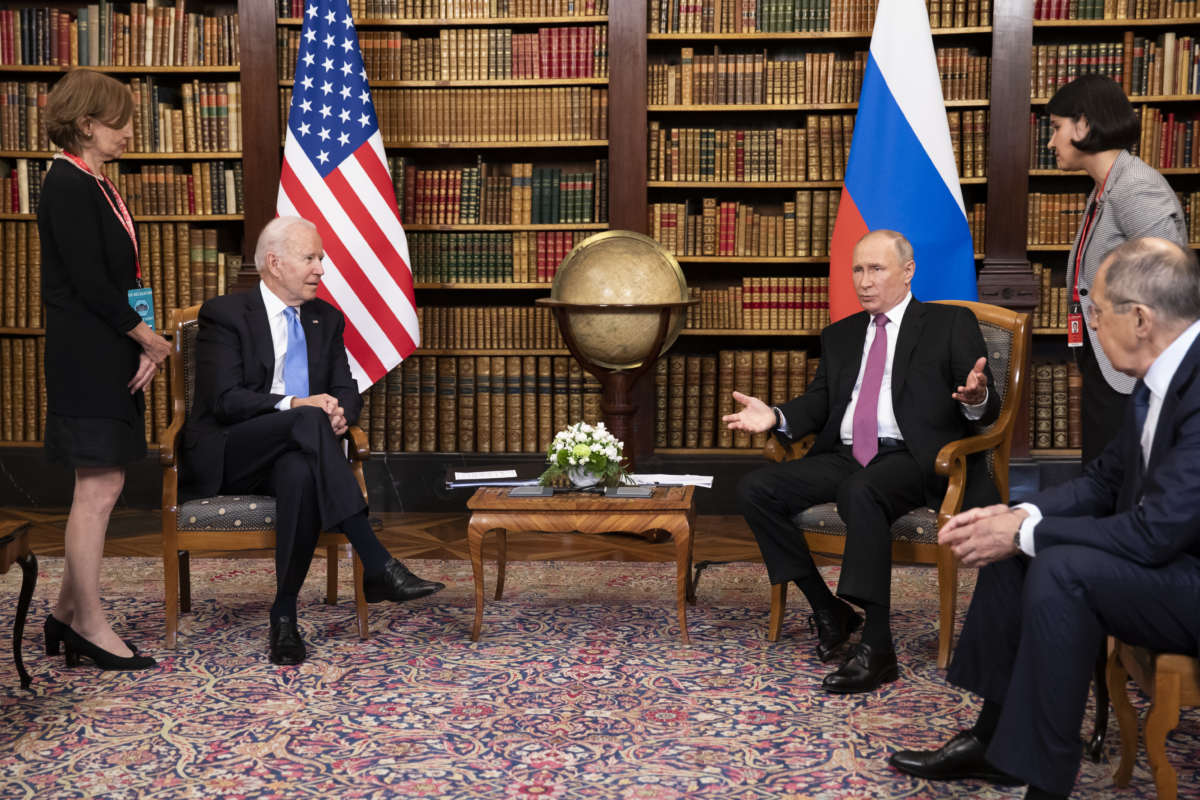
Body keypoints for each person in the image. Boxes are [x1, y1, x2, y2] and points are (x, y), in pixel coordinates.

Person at [889, 238, 1200, 800]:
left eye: (1095, 313)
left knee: (1058, 568)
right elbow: (1107, 481)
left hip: (1189, 578)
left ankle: (1044, 785)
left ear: (1140, 319)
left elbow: (1158, 533)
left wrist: (1026, 531)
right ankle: (994, 741)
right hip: (1170, 563)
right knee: (1016, 546)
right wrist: (1016, 518)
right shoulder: (1160, 374)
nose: (1090, 328)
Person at [725, 229, 1000, 693]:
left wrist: (976, 397)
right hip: (846, 454)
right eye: (858, 269)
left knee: (862, 491)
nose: (865, 281)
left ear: (908, 272)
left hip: (913, 457)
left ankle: (878, 647)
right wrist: (773, 415)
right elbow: (819, 403)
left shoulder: (947, 324)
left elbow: (984, 407)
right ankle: (828, 608)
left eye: (877, 269)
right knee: (756, 489)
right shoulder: (841, 334)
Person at [181, 216, 444, 666]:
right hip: (232, 451)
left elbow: (345, 388)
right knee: (306, 419)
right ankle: (376, 561)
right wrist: (298, 403)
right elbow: (226, 401)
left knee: (301, 469)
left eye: (321, 258)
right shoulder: (225, 314)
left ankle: (283, 615)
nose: (321, 268)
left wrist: (341, 413)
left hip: (299, 451)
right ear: (274, 263)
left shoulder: (327, 319)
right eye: (310, 258)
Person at [39, 69, 169, 671]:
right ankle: (90, 623)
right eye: (120, 120)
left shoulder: (95, 182)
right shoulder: (66, 182)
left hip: (106, 348)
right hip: (86, 356)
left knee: (102, 484)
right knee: (98, 488)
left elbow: (118, 280)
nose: (129, 131)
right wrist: (147, 337)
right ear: (87, 123)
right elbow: (91, 282)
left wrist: (138, 344)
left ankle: (66, 612)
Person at [1047, 74, 1188, 464]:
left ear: (1084, 125)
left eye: (1057, 128)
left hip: (1137, 370)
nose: (1051, 141)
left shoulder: (1135, 187)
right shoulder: (1104, 187)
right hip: (1110, 360)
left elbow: (1170, 285)